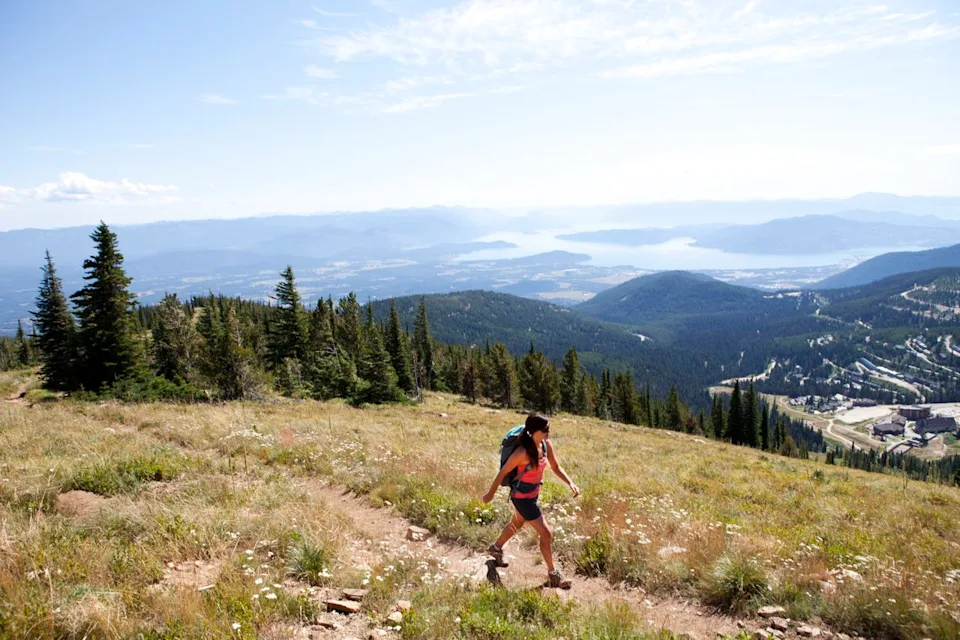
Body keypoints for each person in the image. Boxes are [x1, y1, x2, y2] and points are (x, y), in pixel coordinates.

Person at [482, 413, 580, 589]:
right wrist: (490, 494)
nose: (549, 432)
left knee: (517, 523)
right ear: (535, 431)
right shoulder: (522, 452)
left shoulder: (545, 444)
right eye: (545, 429)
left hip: (533, 494)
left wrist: (570, 482)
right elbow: (503, 473)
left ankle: (495, 549)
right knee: (546, 533)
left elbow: (556, 467)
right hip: (521, 497)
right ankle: (553, 574)